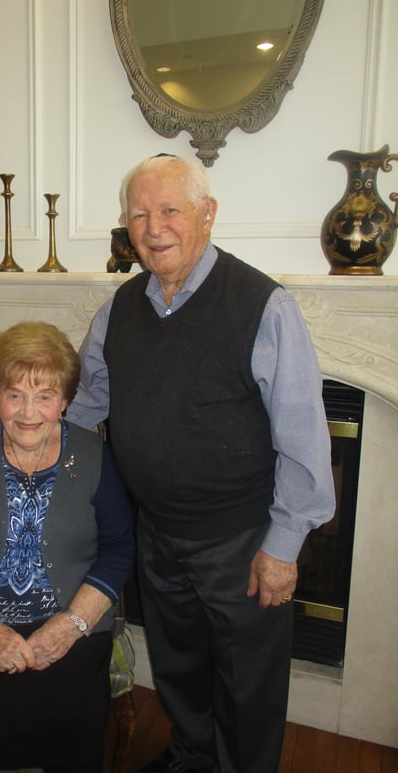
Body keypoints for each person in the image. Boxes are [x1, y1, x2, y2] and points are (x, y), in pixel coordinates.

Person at [65, 155, 336, 773]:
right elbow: (88, 404)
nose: (154, 227)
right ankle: (191, 758)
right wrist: (40, 461)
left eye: (170, 210)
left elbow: (304, 436)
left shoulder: (264, 306)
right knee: (178, 665)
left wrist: (283, 545)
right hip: (156, 532)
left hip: (241, 542)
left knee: (248, 687)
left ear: (207, 215)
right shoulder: (119, 309)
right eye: (139, 214)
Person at [0, 321, 134, 773]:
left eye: (45, 395)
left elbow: (118, 547)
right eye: (14, 394)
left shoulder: (94, 457)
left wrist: (71, 625)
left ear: (65, 401)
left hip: (71, 621)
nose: (28, 412)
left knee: (74, 714)